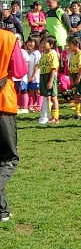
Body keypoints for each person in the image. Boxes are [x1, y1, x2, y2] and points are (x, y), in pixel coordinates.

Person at [0, 17, 28, 222]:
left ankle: (2, 210)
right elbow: (19, 71)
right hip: (3, 102)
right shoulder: (8, 38)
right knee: (9, 158)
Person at [38, 35, 60, 124]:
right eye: (42, 43)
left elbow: (53, 69)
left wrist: (50, 81)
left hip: (49, 76)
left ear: (51, 45)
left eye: (45, 43)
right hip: (43, 76)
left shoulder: (53, 55)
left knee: (53, 96)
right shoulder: (43, 54)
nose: (42, 45)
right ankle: (47, 114)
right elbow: (40, 66)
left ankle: (55, 117)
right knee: (46, 96)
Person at [25, 36, 41, 112]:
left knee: (38, 91)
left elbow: (37, 65)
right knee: (30, 90)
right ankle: (30, 105)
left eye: (32, 42)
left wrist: (33, 75)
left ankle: (39, 105)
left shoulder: (36, 53)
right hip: (28, 75)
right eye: (29, 42)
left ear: (36, 43)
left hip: (36, 76)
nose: (30, 43)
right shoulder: (27, 52)